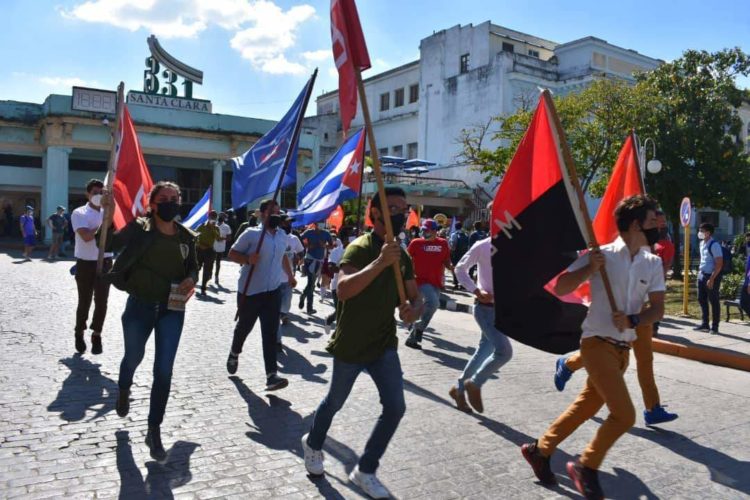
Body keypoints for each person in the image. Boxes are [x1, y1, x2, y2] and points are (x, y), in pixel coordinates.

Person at [521, 195, 665, 499]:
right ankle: (586, 466)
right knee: (624, 416)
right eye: (653, 220)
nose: (659, 225)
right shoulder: (602, 255)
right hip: (596, 344)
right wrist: (589, 269)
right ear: (636, 224)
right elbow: (561, 286)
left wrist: (634, 318)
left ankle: (539, 450)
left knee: (585, 407)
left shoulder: (653, 263)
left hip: (622, 351)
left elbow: (657, 310)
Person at [301, 187, 423, 499]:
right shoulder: (359, 248)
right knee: (334, 402)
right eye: (393, 208)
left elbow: (415, 297)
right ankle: (313, 444)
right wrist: (380, 263)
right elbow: (343, 290)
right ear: (376, 213)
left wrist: (414, 310)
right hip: (352, 344)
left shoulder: (403, 256)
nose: (401, 213)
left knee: (395, 407)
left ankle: (365, 470)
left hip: (384, 344)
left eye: (404, 208)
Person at [104, 181, 198, 462]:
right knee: (133, 357)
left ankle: (153, 429)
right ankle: (124, 388)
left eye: (174, 198)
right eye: (164, 198)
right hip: (140, 306)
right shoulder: (139, 228)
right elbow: (107, 243)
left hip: (173, 308)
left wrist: (191, 278)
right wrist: (107, 217)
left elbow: (193, 266)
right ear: (153, 204)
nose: (170, 202)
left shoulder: (186, 236)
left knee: (164, 370)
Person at [226, 199, 296, 391]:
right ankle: (234, 352)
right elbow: (232, 253)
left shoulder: (282, 235)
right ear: (263, 214)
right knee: (244, 327)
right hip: (250, 291)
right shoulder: (252, 234)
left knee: (270, 333)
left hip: (273, 291)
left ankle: (271, 375)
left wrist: (290, 276)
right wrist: (248, 259)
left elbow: (282, 255)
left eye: (278, 212)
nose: (277, 215)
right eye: (273, 212)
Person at [449, 235, 513, 413]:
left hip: (501, 311)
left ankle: (458, 389)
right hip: (485, 310)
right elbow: (460, 269)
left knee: (484, 351)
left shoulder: (516, 245)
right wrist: (476, 291)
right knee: (504, 352)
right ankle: (475, 383)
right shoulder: (483, 245)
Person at [71, 179, 112, 355]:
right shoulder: (79, 213)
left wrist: (110, 213)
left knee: (102, 301)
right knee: (85, 301)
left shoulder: (109, 211)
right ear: (88, 194)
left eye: (101, 193)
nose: (98, 196)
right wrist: (104, 225)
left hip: (105, 261)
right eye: (95, 193)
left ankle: (97, 334)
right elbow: (86, 237)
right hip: (86, 262)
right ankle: (79, 331)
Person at [404, 219, 452, 349]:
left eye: (427, 230)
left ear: (435, 231)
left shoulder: (443, 243)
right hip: (420, 281)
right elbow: (406, 259)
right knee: (433, 303)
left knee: (428, 307)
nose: (424, 232)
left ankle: (413, 336)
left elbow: (446, 260)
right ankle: (418, 328)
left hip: (436, 282)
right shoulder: (416, 243)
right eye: (423, 230)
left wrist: (453, 268)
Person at [694, 222, 724, 334]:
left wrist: (712, 278)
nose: (699, 232)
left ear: (708, 233)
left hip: (711, 276)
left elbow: (719, 263)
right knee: (701, 299)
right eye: (699, 230)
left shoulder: (714, 245)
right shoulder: (702, 243)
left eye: (702, 231)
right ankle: (705, 324)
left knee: (713, 301)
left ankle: (715, 326)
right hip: (701, 274)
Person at [278, 212, 303, 345]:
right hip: (274, 278)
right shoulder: (275, 237)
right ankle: (277, 339)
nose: (289, 225)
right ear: (280, 223)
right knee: (275, 306)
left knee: (286, 303)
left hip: (288, 277)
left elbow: (300, 251)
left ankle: (283, 313)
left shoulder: (294, 238)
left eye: (290, 223)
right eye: (286, 222)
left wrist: (299, 258)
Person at [299, 223, 333, 315]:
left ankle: (304, 297)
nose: (321, 224)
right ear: (315, 224)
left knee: (311, 283)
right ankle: (309, 307)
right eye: (319, 222)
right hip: (309, 259)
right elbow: (299, 239)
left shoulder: (326, 233)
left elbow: (331, 245)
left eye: (323, 222)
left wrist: (324, 245)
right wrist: (307, 245)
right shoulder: (309, 232)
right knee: (311, 283)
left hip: (319, 261)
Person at [324, 227, 350, 335]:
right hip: (337, 286)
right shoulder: (336, 251)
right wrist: (346, 269)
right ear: (344, 239)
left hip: (352, 285)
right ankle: (337, 336)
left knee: (344, 311)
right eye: (351, 236)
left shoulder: (357, 251)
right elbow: (331, 267)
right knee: (341, 312)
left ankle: (329, 320)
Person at [652, 210, 674, 336]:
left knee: (655, 303)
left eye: (664, 221)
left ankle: (654, 328)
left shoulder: (666, 242)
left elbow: (667, 263)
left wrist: (661, 277)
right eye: (660, 220)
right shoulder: (646, 239)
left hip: (657, 278)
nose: (663, 223)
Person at [195, 211, 220, 295]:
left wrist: (213, 228)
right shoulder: (201, 226)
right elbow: (195, 236)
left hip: (209, 251)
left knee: (207, 270)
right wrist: (199, 245)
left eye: (214, 217)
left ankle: (203, 287)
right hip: (199, 250)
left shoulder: (216, 228)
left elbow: (218, 238)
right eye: (211, 216)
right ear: (208, 217)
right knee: (197, 267)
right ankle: (193, 281)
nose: (213, 218)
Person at [213, 212, 232, 286]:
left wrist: (222, 238)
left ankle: (216, 276)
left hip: (220, 247)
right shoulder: (213, 224)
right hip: (212, 246)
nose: (221, 217)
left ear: (224, 218)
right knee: (210, 262)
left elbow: (229, 238)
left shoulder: (226, 227)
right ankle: (209, 274)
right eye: (220, 216)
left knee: (218, 262)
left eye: (222, 216)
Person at [449, 222, 470, 289]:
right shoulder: (466, 234)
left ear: (455, 227)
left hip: (456, 254)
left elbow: (453, 245)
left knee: (455, 268)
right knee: (463, 269)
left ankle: (456, 283)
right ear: (461, 227)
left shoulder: (454, 234)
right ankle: (462, 284)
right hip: (463, 253)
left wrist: (451, 251)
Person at [740, 232, 750, 317]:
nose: (747, 240)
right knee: (744, 303)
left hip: (748, 282)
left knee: (744, 302)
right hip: (747, 281)